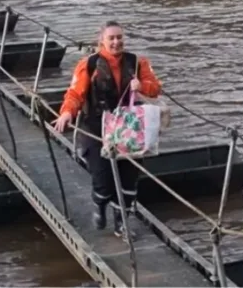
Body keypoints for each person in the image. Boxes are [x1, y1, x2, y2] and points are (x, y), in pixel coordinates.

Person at [53, 21, 162, 240]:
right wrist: (67, 113)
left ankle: (121, 224)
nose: (116, 42)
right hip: (97, 128)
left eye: (119, 37)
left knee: (129, 179)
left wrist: (141, 86)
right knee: (103, 179)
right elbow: (75, 93)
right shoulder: (89, 64)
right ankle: (100, 203)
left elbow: (155, 88)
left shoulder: (137, 62)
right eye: (111, 38)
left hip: (129, 128)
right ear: (101, 41)